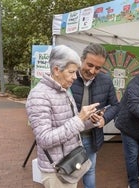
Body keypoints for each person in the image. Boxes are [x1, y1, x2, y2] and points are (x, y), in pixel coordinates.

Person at [25, 45, 102, 188]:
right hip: (57, 170)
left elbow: (71, 126)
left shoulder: (64, 90)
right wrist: (79, 119)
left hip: (70, 163)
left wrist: (91, 120)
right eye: (71, 72)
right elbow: (44, 139)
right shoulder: (39, 96)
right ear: (56, 70)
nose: (75, 77)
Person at [70, 43, 119, 188]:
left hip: (90, 137)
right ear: (81, 60)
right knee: (68, 173)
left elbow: (116, 105)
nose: (92, 71)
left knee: (89, 171)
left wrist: (104, 119)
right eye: (89, 65)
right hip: (69, 137)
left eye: (98, 68)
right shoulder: (69, 77)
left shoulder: (106, 81)